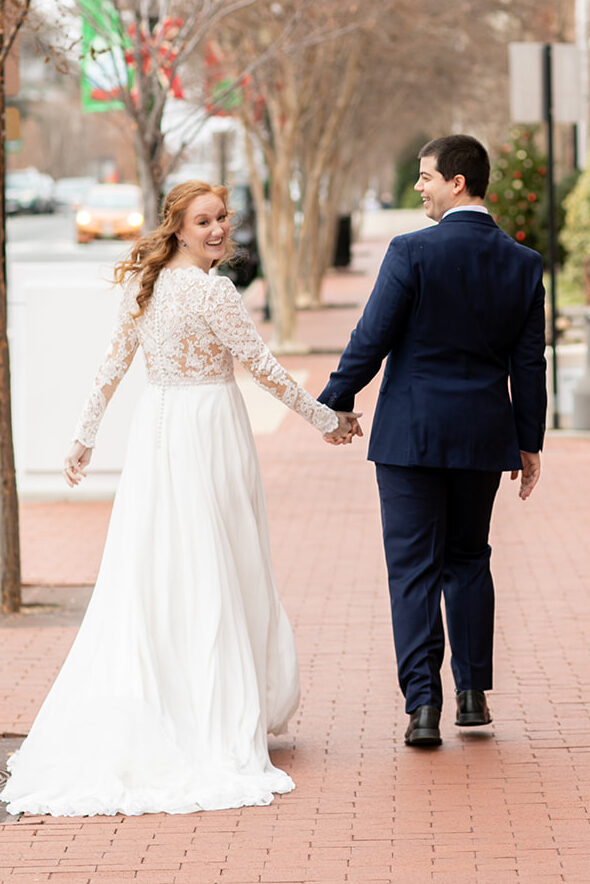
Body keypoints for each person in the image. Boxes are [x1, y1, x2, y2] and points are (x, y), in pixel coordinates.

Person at [1, 180, 356, 817]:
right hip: (206, 432)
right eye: (204, 221)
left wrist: (84, 437)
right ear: (179, 227)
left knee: (161, 566)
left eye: (222, 217)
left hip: (157, 433)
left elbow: (112, 368)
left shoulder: (147, 283)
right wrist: (325, 418)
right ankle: (209, 709)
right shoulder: (211, 290)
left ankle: (173, 694)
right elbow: (265, 368)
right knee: (216, 563)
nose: (218, 229)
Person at [319, 135, 547, 746]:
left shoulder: (411, 252)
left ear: (458, 182)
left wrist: (331, 403)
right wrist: (530, 442)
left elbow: (372, 337)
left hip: (410, 438)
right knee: (470, 558)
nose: (419, 187)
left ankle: (423, 707)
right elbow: (530, 364)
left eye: (426, 177)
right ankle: (472, 697)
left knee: (413, 568)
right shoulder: (523, 264)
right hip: (482, 437)